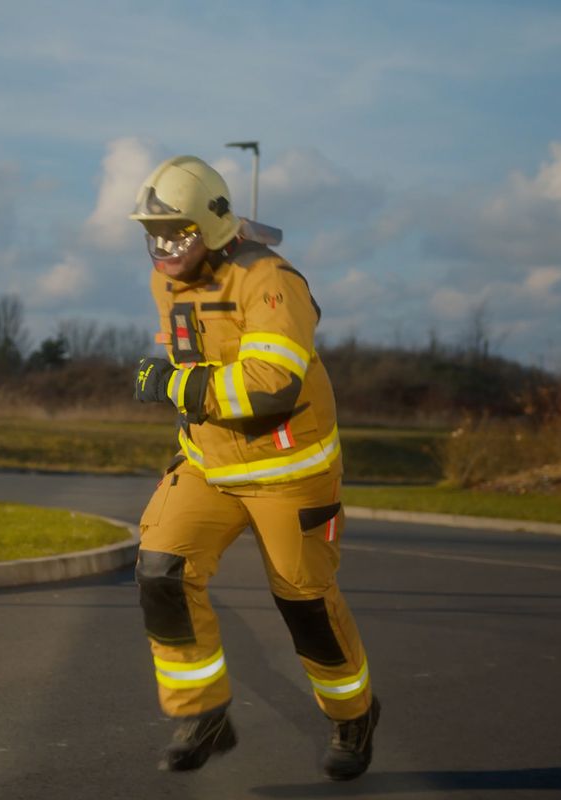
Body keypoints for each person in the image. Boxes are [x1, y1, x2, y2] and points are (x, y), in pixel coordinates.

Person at [129, 155, 378, 779]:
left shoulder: (270, 280)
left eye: (176, 232)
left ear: (212, 226)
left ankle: (353, 715)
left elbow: (270, 385)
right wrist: (183, 410)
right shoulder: (168, 281)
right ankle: (203, 713)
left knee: (306, 605)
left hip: (288, 471)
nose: (163, 247)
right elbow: (193, 358)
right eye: (153, 233)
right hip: (210, 465)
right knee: (162, 570)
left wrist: (175, 389)